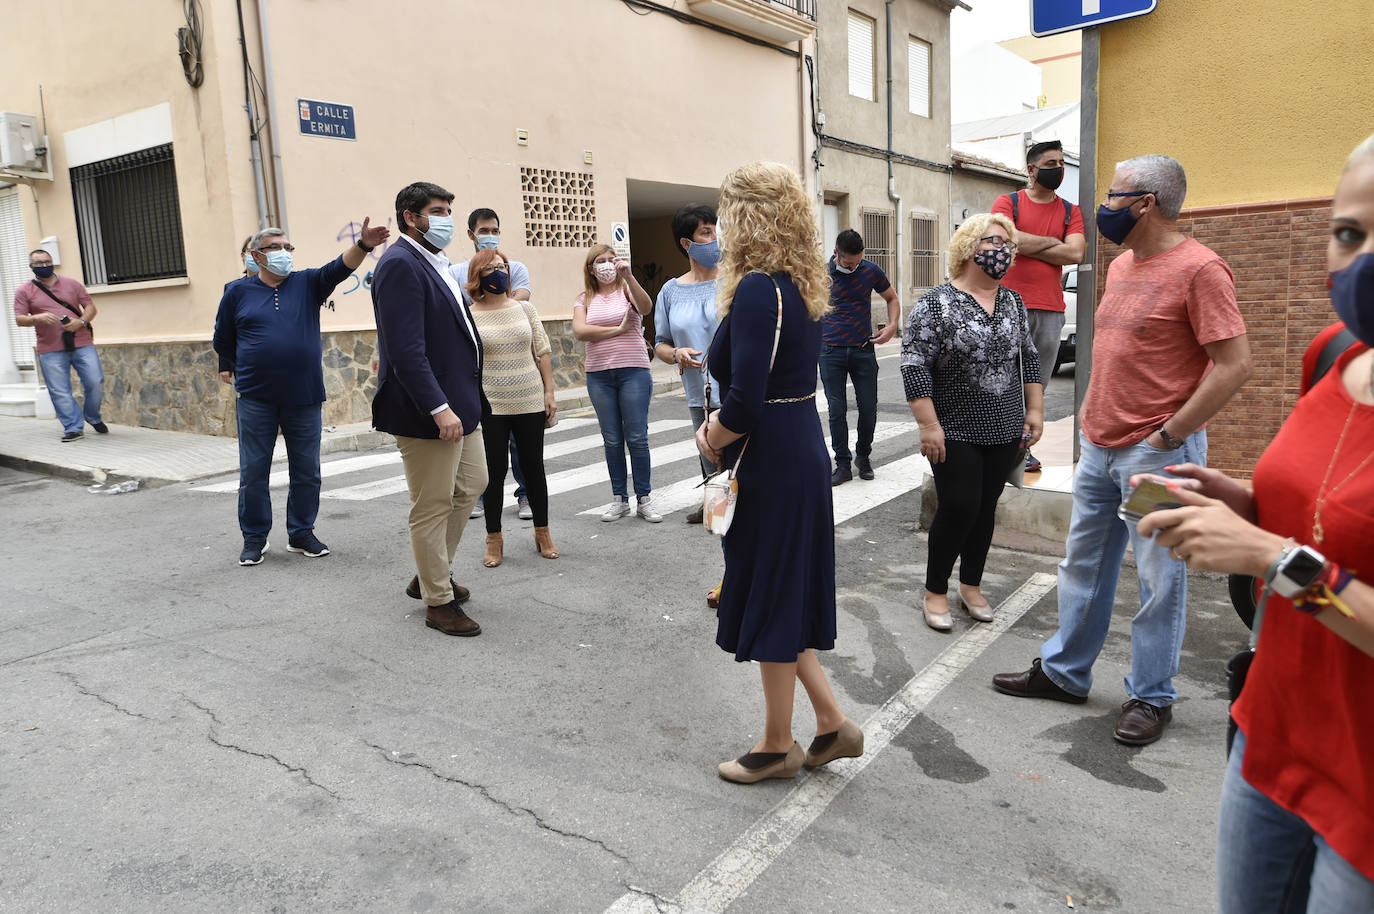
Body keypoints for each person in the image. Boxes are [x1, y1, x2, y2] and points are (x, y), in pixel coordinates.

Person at [1135, 134, 1374, 912]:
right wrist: (1244, 498)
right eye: (1349, 233)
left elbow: (1298, 555)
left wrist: (1274, 556)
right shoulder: (1332, 355)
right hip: (1268, 741)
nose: (1361, 258)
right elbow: (1323, 506)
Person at [992, 153, 1252, 746]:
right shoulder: (1124, 266)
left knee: (1161, 580)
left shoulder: (1201, 269)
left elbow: (1234, 366)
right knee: (1081, 567)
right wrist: (1086, 418)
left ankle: (1151, 696)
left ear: (1147, 204)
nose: (1104, 206)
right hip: (1100, 446)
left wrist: (1168, 434)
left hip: (1156, 454)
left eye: (1113, 195)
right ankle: (1064, 672)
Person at [696, 161, 863, 784]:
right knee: (782, 592)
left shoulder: (762, 289)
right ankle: (830, 725)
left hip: (770, 453)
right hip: (796, 445)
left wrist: (710, 437)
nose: (717, 228)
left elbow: (742, 399)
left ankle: (776, 746)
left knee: (768, 592)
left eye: (724, 213)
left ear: (745, 217)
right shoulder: (797, 286)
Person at [213, 219, 388, 566]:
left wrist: (364, 245)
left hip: (304, 396)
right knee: (253, 472)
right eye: (275, 248)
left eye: (287, 248)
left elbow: (340, 267)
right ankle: (254, 538)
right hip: (256, 397)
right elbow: (224, 335)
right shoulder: (237, 292)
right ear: (256, 256)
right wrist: (229, 364)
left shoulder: (308, 283)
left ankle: (301, 532)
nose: (283, 254)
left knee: (307, 470)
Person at [902, 213, 1044, 632]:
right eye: (992, 240)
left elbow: (1029, 357)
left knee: (984, 509)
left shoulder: (1013, 302)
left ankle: (971, 585)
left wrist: (1034, 410)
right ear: (967, 247)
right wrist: (928, 425)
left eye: (1007, 242)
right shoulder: (934, 303)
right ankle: (934, 591)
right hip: (952, 428)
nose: (1002, 249)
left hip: (1004, 426)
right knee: (959, 506)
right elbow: (914, 366)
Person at [371, 181, 486, 637]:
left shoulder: (435, 263)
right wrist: (439, 407)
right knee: (432, 503)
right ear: (410, 218)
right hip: (428, 411)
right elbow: (405, 351)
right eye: (436, 211)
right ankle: (438, 601)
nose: (446, 219)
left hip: (462, 403)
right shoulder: (400, 264)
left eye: (447, 210)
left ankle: (431, 570)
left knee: (474, 482)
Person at [992, 139, 1085, 473]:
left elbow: (1075, 253)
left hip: (1050, 309)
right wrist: (1051, 242)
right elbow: (1002, 239)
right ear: (1031, 170)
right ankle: (998, 444)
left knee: (1036, 386)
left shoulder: (1070, 211)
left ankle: (1021, 451)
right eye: (1050, 164)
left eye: (1060, 163)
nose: (1057, 169)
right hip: (1005, 306)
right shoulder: (1009, 202)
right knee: (999, 379)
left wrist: (1024, 242)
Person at [464, 249, 559, 567]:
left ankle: (542, 533)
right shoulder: (470, 315)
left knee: (534, 468)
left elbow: (542, 350)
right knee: (493, 473)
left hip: (530, 398)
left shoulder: (525, 309)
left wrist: (549, 391)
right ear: (478, 275)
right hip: (491, 404)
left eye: (502, 266)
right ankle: (494, 539)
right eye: (490, 268)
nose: (498, 272)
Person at [451, 207, 534, 522]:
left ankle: (525, 496)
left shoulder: (516, 267)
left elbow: (519, 299)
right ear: (471, 234)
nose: (490, 235)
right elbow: (459, 308)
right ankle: (482, 498)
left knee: (520, 444)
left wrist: (483, 297)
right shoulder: (455, 270)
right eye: (484, 230)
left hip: (515, 370)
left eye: (495, 229)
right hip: (479, 372)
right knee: (487, 442)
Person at [572, 243, 660, 523]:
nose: (608, 264)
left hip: (633, 370)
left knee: (637, 437)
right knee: (611, 439)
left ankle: (644, 498)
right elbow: (580, 331)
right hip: (599, 375)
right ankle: (619, 499)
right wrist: (618, 330)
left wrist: (630, 276)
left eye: (612, 259)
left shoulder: (626, 290)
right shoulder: (584, 298)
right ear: (591, 268)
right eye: (601, 261)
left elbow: (645, 307)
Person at [653, 203, 722, 524]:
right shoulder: (670, 291)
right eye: (705, 232)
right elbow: (660, 345)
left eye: (714, 230)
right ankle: (715, 505)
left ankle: (736, 509)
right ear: (686, 243)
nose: (714, 238)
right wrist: (676, 354)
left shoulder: (735, 281)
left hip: (736, 386)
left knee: (739, 452)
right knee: (707, 449)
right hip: (698, 389)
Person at [822, 229, 901, 485]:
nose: (853, 267)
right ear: (836, 254)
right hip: (830, 351)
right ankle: (842, 464)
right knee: (837, 410)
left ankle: (863, 456)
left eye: (857, 262)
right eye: (848, 263)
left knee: (868, 407)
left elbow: (891, 298)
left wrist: (892, 326)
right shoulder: (821, 275)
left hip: (862, 349)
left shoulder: (870, 271)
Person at [14, 248, 105, 442]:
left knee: (95, 381)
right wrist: (37, 318)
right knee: (59, 390)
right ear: (31, 267)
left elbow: (90, 308)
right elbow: (19, 319)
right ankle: (73, 427)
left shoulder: (72, 284)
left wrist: (80, 322)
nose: (44, 266)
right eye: (39, 263)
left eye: (47, 261)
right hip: (50, 348)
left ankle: (93, 416)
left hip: (82, 342)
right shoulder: (24, 290)